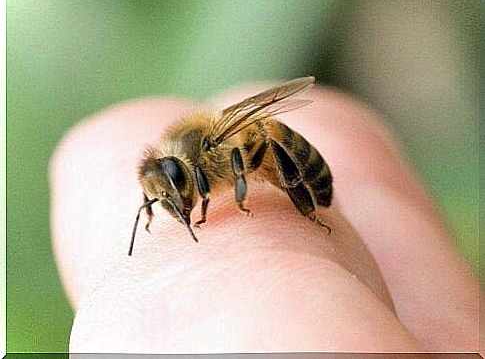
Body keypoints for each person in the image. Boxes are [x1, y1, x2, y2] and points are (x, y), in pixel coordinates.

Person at [50, 83, 478, 353]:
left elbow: (237, 158)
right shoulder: (181, 163)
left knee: (266, 145)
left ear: (188, 163)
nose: (176, 202)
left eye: (176, 191)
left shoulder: (211, 150)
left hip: (279, 150)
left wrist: (238, 200)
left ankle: (308, 208)